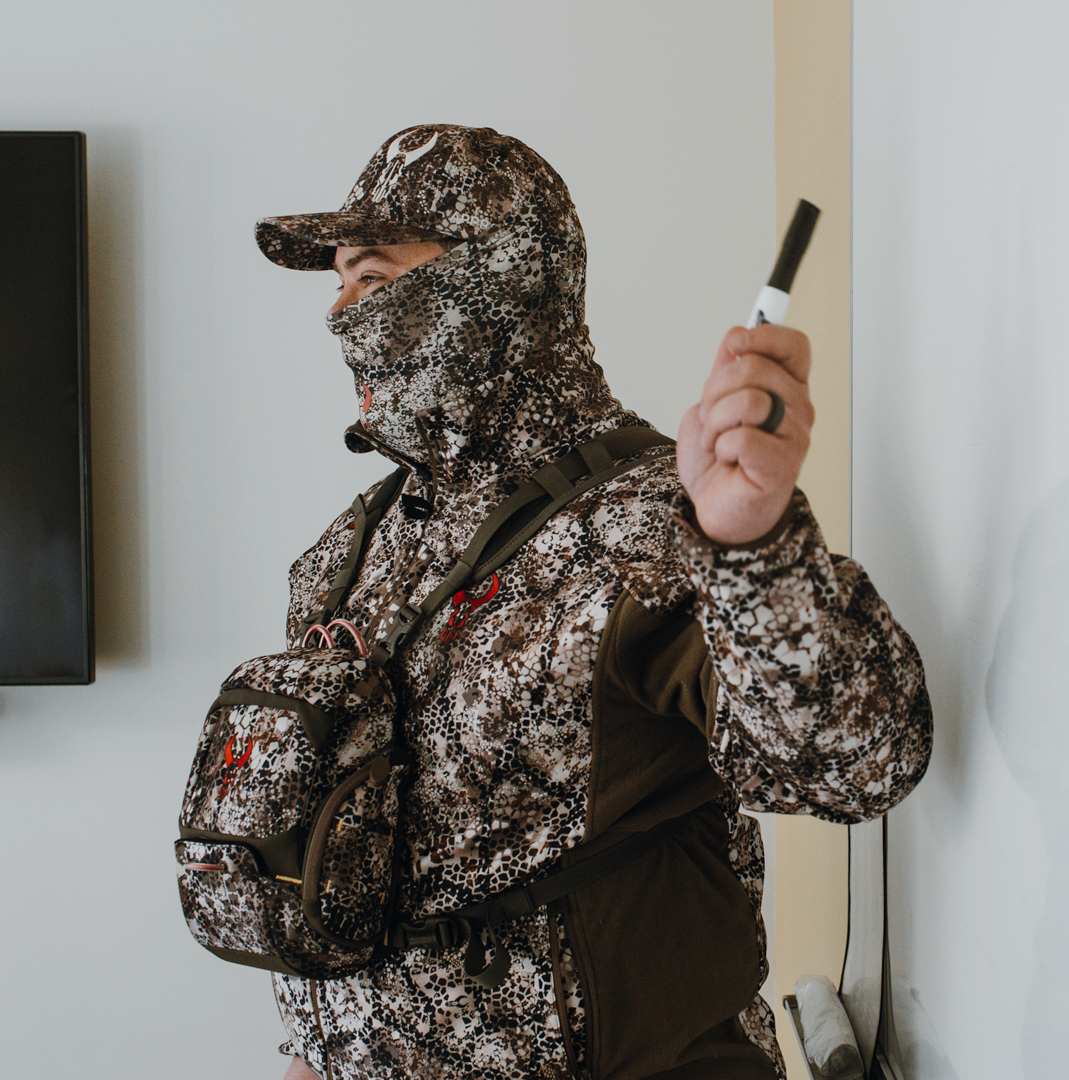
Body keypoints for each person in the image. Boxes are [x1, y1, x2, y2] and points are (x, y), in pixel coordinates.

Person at [254, 125, 931, 1080]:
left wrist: (751, 543)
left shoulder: (655, 522)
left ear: (498, 281)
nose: (339, 310)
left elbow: (859, 764)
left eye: (372, 275)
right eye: (337, 278)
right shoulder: (350, 551)